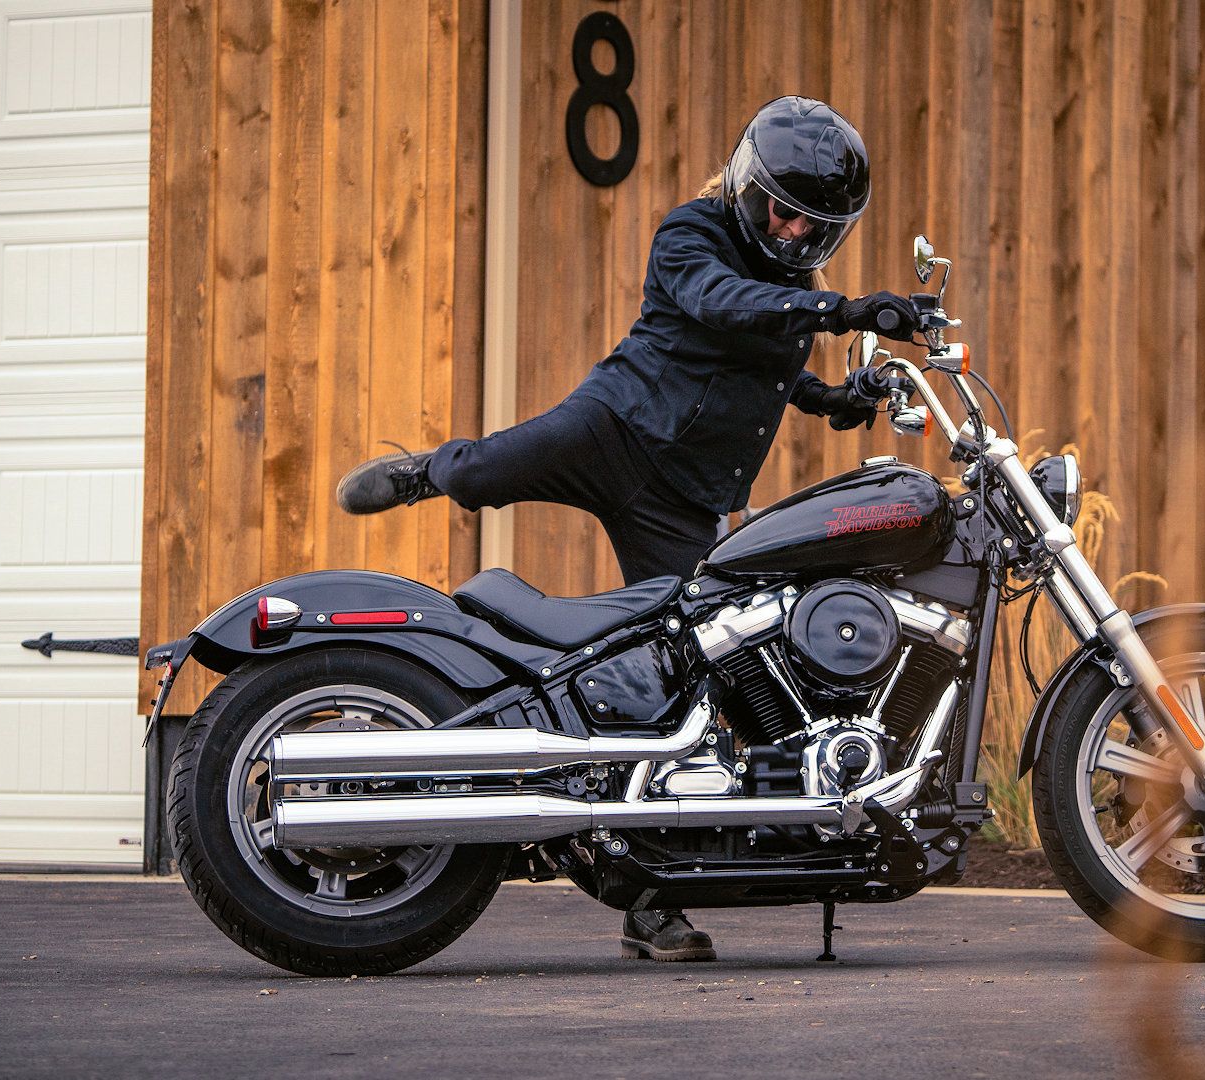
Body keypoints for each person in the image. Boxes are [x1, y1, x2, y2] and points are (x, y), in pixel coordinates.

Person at [333, 96, 920, 961]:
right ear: (748, 185)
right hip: (613, 431)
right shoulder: (692, 234)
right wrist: (845, 314)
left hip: (682, 500)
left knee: (688, 682)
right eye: (783, 211)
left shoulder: (794, 287)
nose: (794, 233)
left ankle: (649, 904)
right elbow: (723, 305)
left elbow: (775, 364)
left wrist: (843, 400)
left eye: (815, 226)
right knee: (496, 467)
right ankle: (425, 473)